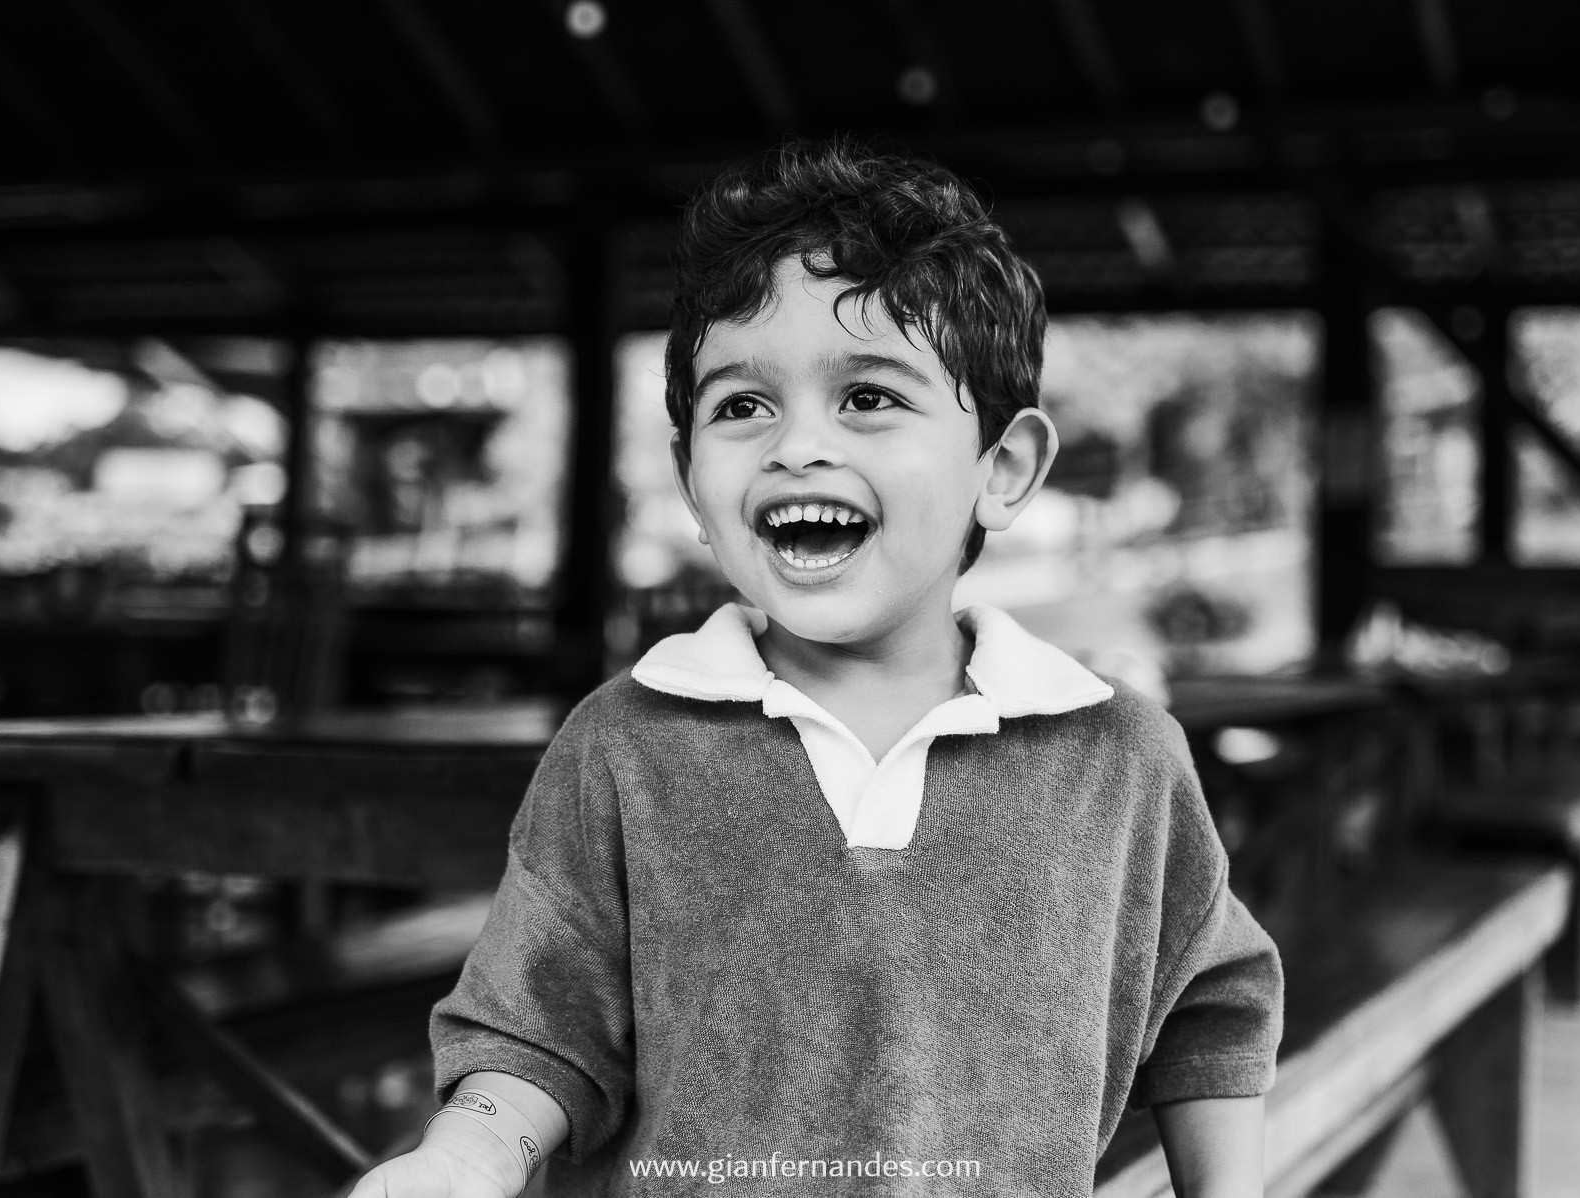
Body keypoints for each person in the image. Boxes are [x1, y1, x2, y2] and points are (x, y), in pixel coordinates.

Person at [351, 137, 1282, 1198]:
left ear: (1005, 468)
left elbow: (1209, 1008)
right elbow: (536, 1032)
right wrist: (466, 1155)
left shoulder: (1119, 757)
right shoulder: (623, 746)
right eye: (741, 406)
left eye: (869, 397)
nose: (795, 447)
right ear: (690, 480)